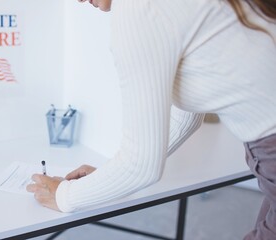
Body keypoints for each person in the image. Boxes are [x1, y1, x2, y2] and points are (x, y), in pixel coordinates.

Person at [27, 0, 276, 239]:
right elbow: (186, 119)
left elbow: (140, 167)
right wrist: (107, 174)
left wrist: (63, 196)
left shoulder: (138, 6)